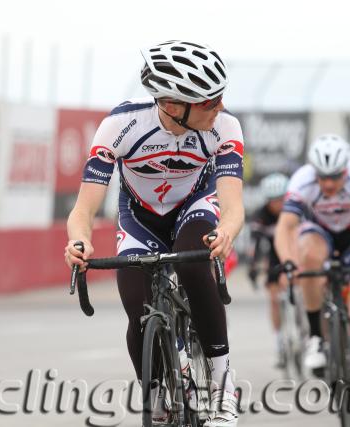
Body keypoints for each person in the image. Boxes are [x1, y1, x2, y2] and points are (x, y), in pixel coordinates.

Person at [64, 40, 245, 427]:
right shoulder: (120, 126)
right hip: (139, 218)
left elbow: (233, 205)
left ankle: (222, 384)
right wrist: (78, 242)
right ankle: (157, 393)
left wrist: (227, 230)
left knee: (196, 266)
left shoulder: (225, 126)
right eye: (209, 101)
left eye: (220, 97)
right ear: (174, 105)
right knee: (137, 309)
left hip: (194, 208)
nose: (220, 106)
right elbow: (82, 209)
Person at [274, 134, 350, 423]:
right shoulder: (302, 181)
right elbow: (285, 227)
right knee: (307, 257)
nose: (327, 184)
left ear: (346, 170)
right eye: (322, 177)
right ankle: (315, 336)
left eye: (335, 177)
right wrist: (289, 262)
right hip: (320, 233)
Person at [247, 172, 289, 367]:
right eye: (272, 200)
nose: (277, 204)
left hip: (292, 251)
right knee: (273, 296)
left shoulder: (293, 211)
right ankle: (279, 340)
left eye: (280, 199)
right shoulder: (261, 216)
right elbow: (255, 245)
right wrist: (253, 267)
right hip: (274, 255)